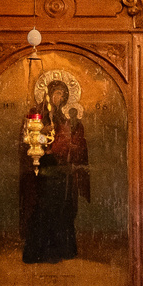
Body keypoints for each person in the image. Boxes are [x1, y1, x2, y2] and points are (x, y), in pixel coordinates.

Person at [19, 78, 90, 264]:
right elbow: (28, 138)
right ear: (49, 94)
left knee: (61, 209)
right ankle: (39, 251)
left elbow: (68, 140)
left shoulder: (62, 116)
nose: (60, 98)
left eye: (63, 95)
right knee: (44, 208)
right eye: (57, 93)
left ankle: (61, 250)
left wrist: (66, 143)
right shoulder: (37, 113)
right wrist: (44, 131)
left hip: (59, 169)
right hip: (43, 168)